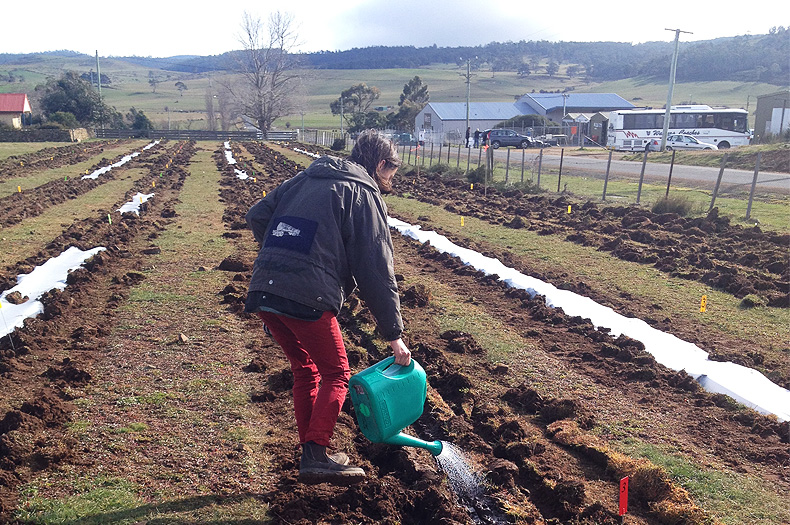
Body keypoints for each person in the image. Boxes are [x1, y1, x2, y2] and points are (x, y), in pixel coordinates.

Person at [245, 129, 411, 485]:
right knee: (337, 373)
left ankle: (312, 452)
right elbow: (376, 269)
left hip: (264, 289)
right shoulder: (363, 193)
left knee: (306, 370)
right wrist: (394, 335)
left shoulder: (306, 177)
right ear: (381, 164)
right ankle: (316, 454)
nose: (389, 182)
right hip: (308, 296)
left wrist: (284, 255)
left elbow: (258, 215)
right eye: (391, 174)